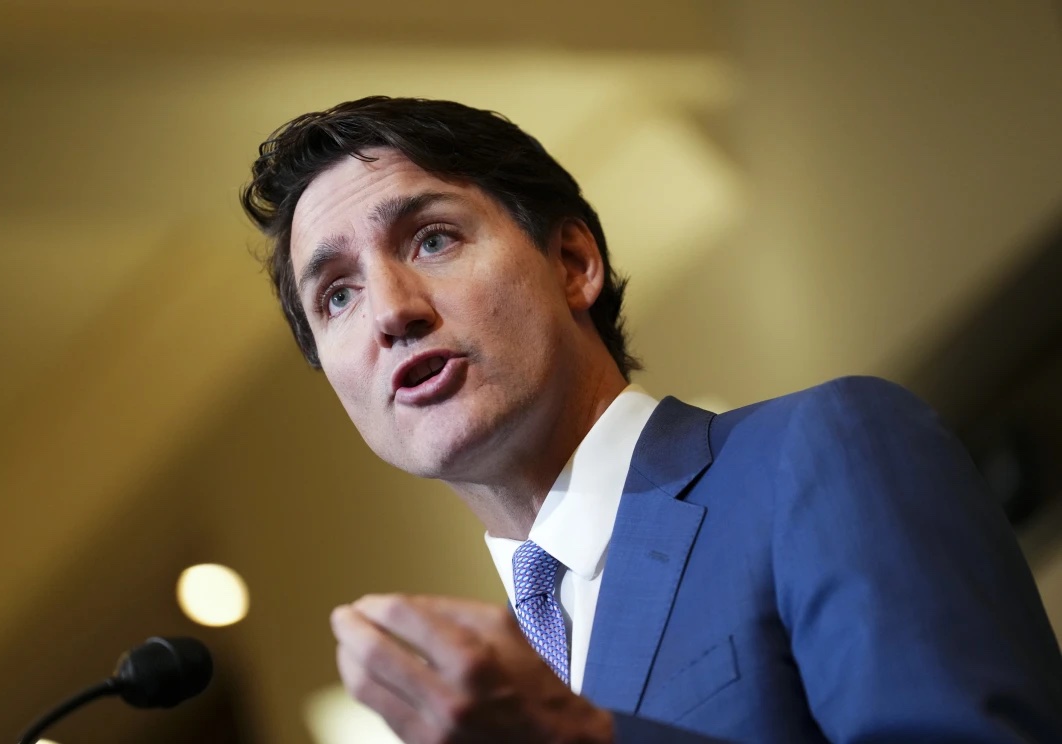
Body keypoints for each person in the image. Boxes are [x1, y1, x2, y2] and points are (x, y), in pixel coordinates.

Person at [241, 96, 1062, 743]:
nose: (390, 311)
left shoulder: (820, 452)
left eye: (432, 240)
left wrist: (578, 738)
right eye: (336, 295)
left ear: (574, 264)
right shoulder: (483, 688)